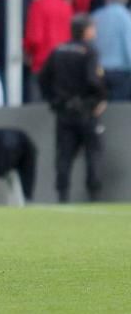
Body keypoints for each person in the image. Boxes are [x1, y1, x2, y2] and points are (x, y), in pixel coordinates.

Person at [39, 15, 107, 202]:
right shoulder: (90, 51)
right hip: (87, 110)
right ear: (86, 30)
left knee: (64, 156)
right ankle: (94, 195)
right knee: (93, 153)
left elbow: (43, 78)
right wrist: (101, 99)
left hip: (64, 111)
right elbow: (94, 79)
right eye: (92, 28)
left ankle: (63, 195)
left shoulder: (58, 50)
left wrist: (53, 100)